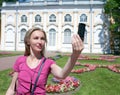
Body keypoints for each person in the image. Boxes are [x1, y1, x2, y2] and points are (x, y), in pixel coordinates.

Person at [6, 27, 84, 95]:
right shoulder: (20, 61)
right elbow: (12, 88)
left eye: (42, 39)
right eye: (36, 38)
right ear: (28, 41)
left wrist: (75, 54)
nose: (40, 42)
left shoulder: (48, 63)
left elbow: (62, 74)